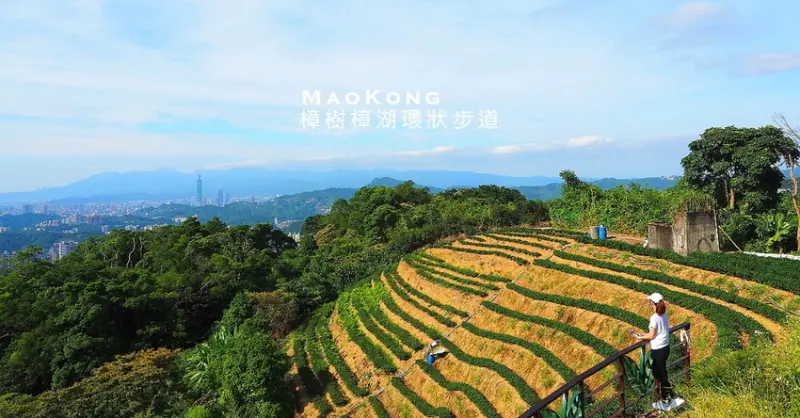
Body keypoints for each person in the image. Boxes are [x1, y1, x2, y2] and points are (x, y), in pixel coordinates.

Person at [632, 293, 685, 412]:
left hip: (658, 349)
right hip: (665, 347)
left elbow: (652, 335)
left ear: (653, 303)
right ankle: (667, 399)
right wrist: (644, 335)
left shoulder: (654, 318)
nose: (649, 303)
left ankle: (669, 400)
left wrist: (640, 337)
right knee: (657, 372)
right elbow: (656, 333)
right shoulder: (664, 315)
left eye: (650, 301)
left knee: (662, 375)